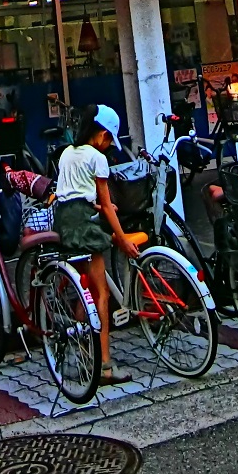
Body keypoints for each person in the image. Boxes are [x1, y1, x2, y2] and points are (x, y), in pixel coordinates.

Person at [52, 104, 141, 384]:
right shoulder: (97, 158)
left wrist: (101, 208)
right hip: (86, 226)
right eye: (109, 141)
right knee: (101, 294)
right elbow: (104, 201)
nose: (109, 147)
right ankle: (104, 366)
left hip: (65, 223)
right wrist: (123, 239)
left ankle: (83, 354)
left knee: (85, 290)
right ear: (102, 134)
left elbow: (73, 195)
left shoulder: (67, 153)